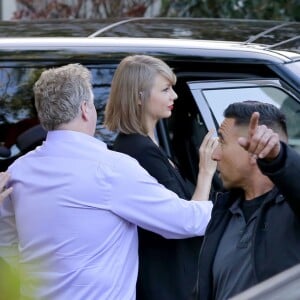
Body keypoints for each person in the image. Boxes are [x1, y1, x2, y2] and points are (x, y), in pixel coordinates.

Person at [0, 63, 214, 300]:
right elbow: (188, 222)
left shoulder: (18, 171)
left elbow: (7, 241)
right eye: (92, 103)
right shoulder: (112, 169)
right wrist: (209, 175)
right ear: (85, 109)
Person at [104, 55, 217, 300]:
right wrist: (206, 172)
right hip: (166, 283)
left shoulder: (146, 146)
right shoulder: (139, 152)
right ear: (138, 97)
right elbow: (187, 219)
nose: (174, 96)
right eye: (165, 89)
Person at [195, 100, 300, 300]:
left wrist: (277, 157)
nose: (215, 155)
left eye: (222, 141)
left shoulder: (290, 209)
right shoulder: (224, 211)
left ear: (252, 150)